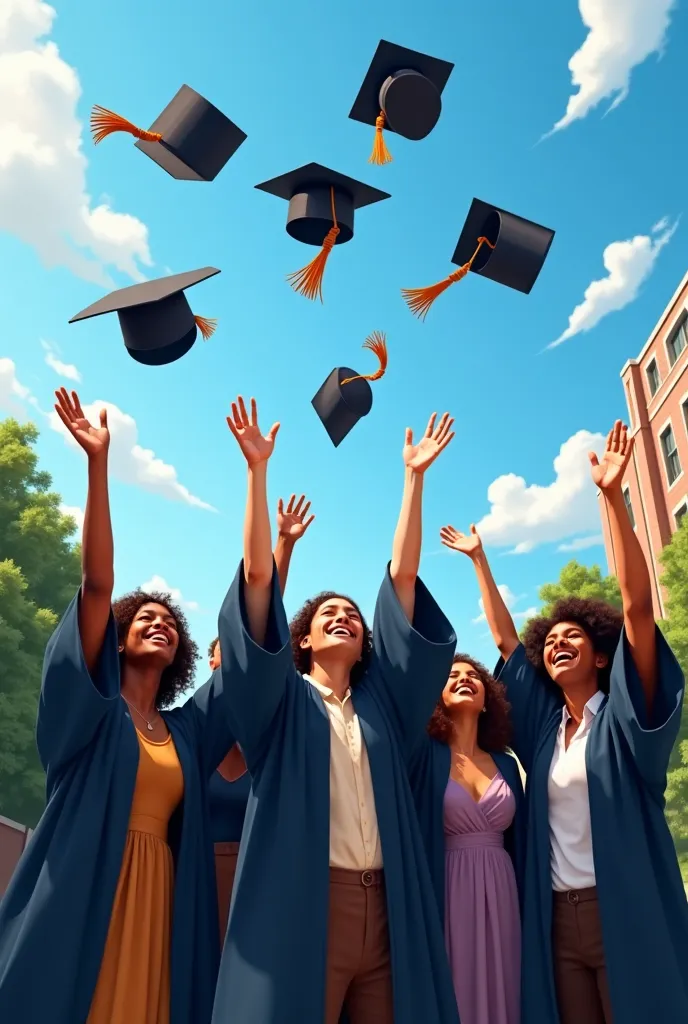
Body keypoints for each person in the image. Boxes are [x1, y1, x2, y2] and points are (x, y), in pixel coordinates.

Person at [212, 395, 460, 1024]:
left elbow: (401, 583)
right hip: (310, 904)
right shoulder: (284, 704)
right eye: (329, 615)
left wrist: (413, 479)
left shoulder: (382, 707)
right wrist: (256, 473)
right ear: (303, 640)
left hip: (387, 906)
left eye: (352, 615)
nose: (345, 617)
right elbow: (257, 586)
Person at [0, 388, 235, 1024]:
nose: (159, 623)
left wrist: (268, 522)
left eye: (170, 622)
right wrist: (98, 465)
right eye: (145, 618)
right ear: (118, 635)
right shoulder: (92, 712)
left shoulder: (185, 733)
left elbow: (243, 660)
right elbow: (98, 585)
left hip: (161, 895)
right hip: (86, 880)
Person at [440, 420, 688, 1024]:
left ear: (601, 654)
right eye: (549, 641)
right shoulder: (547, 734)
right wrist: (480, 560)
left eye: (571, 636)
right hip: (557, 915)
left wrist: (612, 496)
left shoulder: (627, 721)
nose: (556, 645)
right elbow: (505, 641)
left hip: (621, 908)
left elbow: (636, 607)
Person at [208, 494, 315, 939]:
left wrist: (284, 548)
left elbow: (262, 627)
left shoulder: (274, 737)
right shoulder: (194, 729)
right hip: (196, 877)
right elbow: (250, 629)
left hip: (264, 883)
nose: (237, 661)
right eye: (225, 656)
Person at [409, 654, 524, 1024]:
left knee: (507, 982)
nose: (464, 679)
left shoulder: (506, 762)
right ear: (436, 696)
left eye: (473, 675)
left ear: (487, 697)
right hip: (449, 885)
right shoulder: (425, 756)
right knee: (455, 986)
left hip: (503, 888)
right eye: (452, 676)